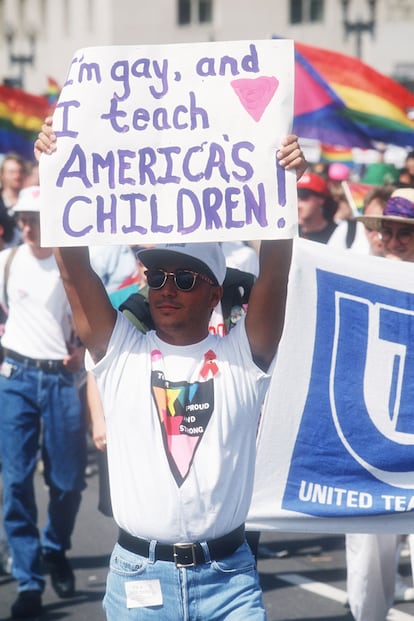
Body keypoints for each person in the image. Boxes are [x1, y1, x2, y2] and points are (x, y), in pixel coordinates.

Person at [35, 121, 307, 620]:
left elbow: (276, 274)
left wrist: (280, 185)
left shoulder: (243, 357)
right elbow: (74, 270)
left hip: (231, 583)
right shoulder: (120, 352)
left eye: (183, 278)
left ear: (214, 292)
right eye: (156, 276)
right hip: (139, 580)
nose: (165, 288)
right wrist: (56, 172)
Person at [0, 186, 87, 619]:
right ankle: (29, 579)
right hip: (16, 376)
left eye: (35, 217)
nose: (28, 227)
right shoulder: (8, 260)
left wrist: (81, 354)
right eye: (22, 219)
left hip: (60, 379)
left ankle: (55, 547)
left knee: (68, 483)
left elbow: (93, 323)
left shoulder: (70, 262)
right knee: (15, 481)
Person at [346, 187, 414, 621]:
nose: (393, 240)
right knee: (368, 546)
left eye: (406, 232)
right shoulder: (356, 278)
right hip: (375, 428)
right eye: (387, 231)